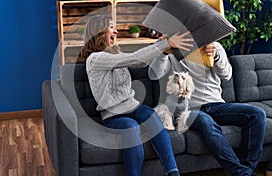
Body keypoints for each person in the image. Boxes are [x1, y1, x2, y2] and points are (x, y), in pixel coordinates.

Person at [78, 15, 194, 176]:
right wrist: (164, 43)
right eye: (111, 27)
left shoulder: (115, 56)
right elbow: (135, 60)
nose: (116, 31)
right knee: (131, 127)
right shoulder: (95, 59)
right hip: (113, 115)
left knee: (152, 116)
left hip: (133, 106)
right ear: (98, 32)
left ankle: (173, 172)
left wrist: (162, 47)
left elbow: (140, 60)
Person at [148, 42, 266, 176]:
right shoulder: (174, 50)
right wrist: (163, 51)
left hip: (217, 105)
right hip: (189, 109)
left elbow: (227, 75)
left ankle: (247, 170)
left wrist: (216, 57)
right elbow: (153, 74)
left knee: (257, 114)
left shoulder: (214, 46)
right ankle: (242, 173)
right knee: (206, 122)